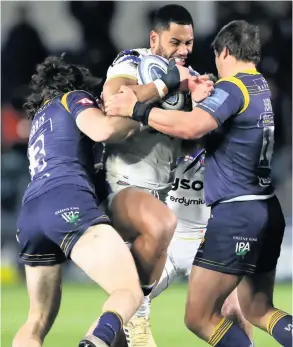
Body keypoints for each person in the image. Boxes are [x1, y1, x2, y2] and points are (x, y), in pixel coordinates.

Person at [105, 20, 292, 347]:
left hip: (236, 214)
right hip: (265, 210)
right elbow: (210, 135)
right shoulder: (261, 85)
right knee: (258, 308)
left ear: (224, 52)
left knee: (199, 316)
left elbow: (193, 127)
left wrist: (138, 109)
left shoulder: (234, 88)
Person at [13, 55, 143, 347]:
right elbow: (103, 130)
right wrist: (138, 124)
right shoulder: (72, 98)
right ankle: (94, 342)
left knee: (36, 320)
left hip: (31, 213)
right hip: (66, 200)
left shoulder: (37, 124)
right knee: (128, 293)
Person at [101, 4, 202, 346]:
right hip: (122, 185)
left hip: (160, 192)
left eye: (189, 43)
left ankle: (113, 326)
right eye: (176, 42)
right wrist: (166, 84)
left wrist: (204, 98)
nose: (184, 50)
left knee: (153, 281)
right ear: (155, 38)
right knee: (162, 224)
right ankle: (138, 318)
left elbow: (193, 134)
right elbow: (115, 102)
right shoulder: (132, 59)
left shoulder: (189, 75)